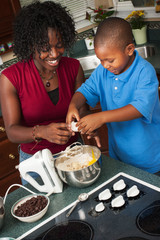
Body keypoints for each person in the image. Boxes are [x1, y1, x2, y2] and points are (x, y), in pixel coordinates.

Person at [0, 1, 99, 184]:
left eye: (59, 45)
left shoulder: (73, 67)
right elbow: (12, 132)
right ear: (31, 45)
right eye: (45, 48)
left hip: (75, 155)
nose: (54, 54)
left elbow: (82, 109)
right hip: (36, 165)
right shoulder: (10, 78)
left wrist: (88, 125)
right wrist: (42, 132)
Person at [66, 17, 160, 174]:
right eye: (101, 60)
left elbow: (139, 107)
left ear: (129, 49)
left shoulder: (145, 71)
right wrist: (73, 105)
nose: (105, 65)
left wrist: (101, 117)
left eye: (110, 60)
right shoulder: (103, 71)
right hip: (120, 156)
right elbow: (85, 90)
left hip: (149, 158)